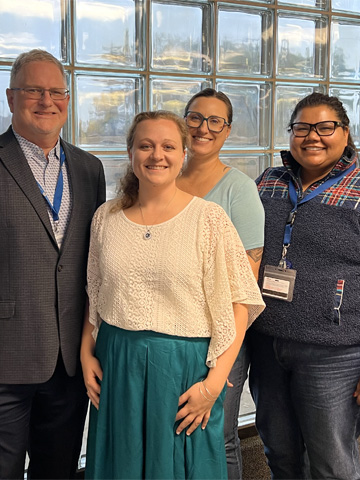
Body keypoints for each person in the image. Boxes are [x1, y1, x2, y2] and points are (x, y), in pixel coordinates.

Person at [81, 110, 265, 479]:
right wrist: (86, 354)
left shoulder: (209, 219)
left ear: (183, 154)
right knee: (123, 464)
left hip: (185, 370)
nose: (156, 155)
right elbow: (96, 295)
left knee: (183, 466)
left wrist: (214, 386)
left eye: (168, 146)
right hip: (118, 363)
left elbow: (241, 305)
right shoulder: (106, 218)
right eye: (145, 146)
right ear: (130, 153)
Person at [0, 49, 106, 480]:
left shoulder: (88, 168)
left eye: (56, 91)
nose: (47, 100)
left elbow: (96, 260)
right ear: (10, 98)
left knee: (57, 470)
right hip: (6, 356)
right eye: (33, 90)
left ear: (68, 98)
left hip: (69, 359)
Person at [249, 92, 360, 479]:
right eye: (302, 127)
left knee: (331, 462)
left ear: (345, 132)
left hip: (334, 353)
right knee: (279, 454)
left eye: (325, 127)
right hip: (267, 341)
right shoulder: (268, 181)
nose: (313, 136)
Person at [177, 88, 264, 479]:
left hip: (222, 337)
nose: (203, 128)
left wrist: (226, 353)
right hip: (173, 334)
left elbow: (247, 282)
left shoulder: (238, 190)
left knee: (217, 434)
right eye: (195, 117)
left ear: (227, 131)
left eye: (215, 121)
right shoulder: (164, 177)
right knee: (179, 429)